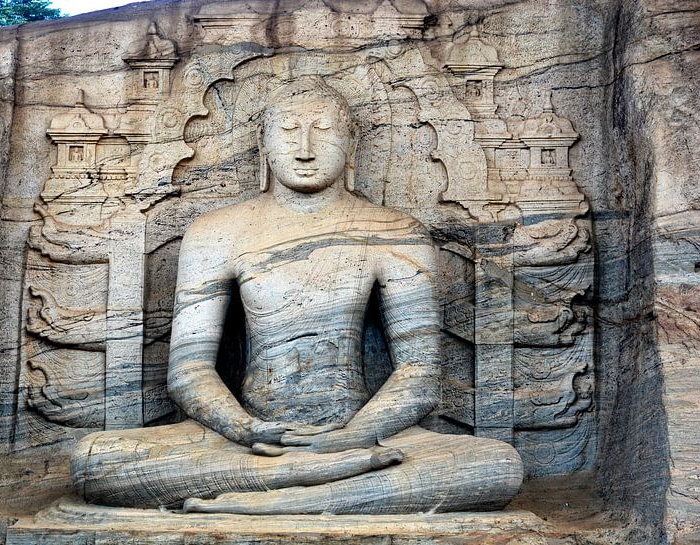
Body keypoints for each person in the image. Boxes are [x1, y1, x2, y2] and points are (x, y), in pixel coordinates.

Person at [70, 76, 523, 514]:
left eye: (323, 132)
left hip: (365, 435)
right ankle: (328, 483)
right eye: (287, 132)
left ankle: (275, 497)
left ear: (352, 148)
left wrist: (350, 437)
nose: (304, 149)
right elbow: (189, 371)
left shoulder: (394, 232)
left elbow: (420, 374)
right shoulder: (216, 233)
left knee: (496, 466)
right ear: (263, 148)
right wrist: (244, 428)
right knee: (94, 461)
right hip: (246, 441)